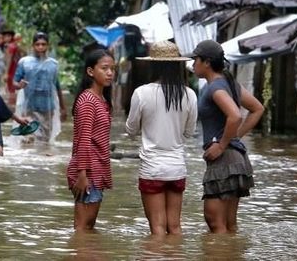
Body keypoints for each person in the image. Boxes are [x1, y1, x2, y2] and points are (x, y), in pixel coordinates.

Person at [187, 40, 264, 234]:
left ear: (206, 62)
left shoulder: (215, 88)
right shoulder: (229, 83)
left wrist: (222, 144)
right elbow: (257, 109)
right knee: (229, 225)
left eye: (195, 59)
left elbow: (235, 115)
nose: (192, 63)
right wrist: (233, 138)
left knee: (215, 222)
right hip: (236, 158)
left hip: (225, 159)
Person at [125, 41, 198, 235]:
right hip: (177, 167)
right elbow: (189, 133)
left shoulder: (141, 93)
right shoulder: (189, 94)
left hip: (152, 168)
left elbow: (131, 130)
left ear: (153, 65)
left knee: (157, 228)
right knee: (174, 226)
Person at [66, 49, 115, 231]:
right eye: (104, 68)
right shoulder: (88, 100)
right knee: (83, 228)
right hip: (87, 172)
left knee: (88, 227)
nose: (110, 73)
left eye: (112, 69)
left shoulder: (101, 99)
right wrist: (82, 175)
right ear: (90, 71)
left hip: (96, 169)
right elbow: (84, 140)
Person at [13, 32, 67, 144]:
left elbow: (56, 86)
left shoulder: (53, 64)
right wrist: (19, 85)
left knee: (44, 141)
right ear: (33, 45)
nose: (40, 47)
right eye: (37, 44)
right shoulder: (24, 62)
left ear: (48, 46)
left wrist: (62, 108)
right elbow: (14, 82)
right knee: (28, 139)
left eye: (43, 44)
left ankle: (41, 159)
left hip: (47, 108)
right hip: (29, 107)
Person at [4, 30, 21, 106]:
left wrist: (6, 72)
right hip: (15, 69)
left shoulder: (12, 47)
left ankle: (11, 106)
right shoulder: (15, 47)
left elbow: (9, 60)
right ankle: (12, 104)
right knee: (12, 88)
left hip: (12, 70)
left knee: (11, 89)